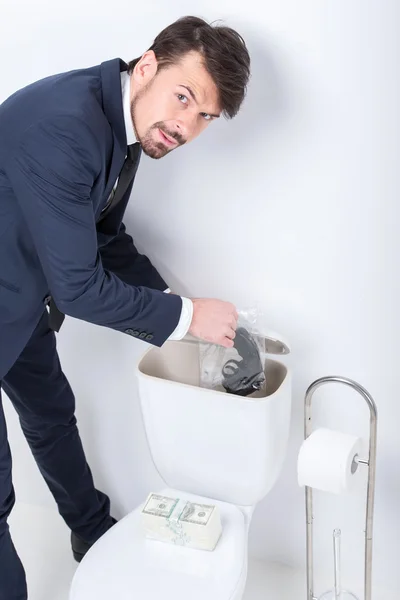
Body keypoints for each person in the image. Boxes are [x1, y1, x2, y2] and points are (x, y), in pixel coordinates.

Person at [0, 14, 250, 599]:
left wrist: (177, 308)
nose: (185, 125)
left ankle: (90, 532)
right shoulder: (65, 125)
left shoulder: (126, 123)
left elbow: (105, 238)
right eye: (183, 97)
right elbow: (80, 288)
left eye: (204, 116)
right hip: (22, 293)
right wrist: (190, 318)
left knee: (51, 414)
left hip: (16, 303)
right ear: (147, 67)